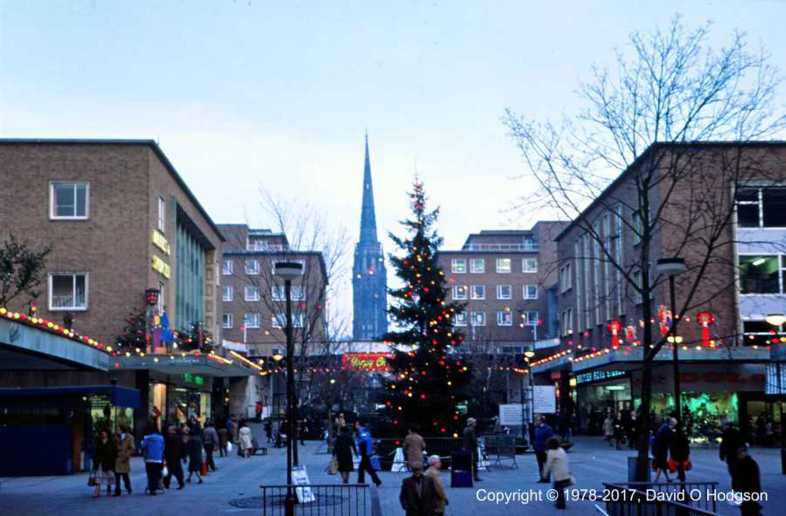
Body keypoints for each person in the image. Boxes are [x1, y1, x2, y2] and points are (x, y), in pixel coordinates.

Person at [730, 446, 761, 516]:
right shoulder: (743, 463)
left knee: (749, 508)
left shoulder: (748, 464)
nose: (739, 455)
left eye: (741, 453)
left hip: (748, 490)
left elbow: (751, 478)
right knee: (748, 508)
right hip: (747, 490)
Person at [542, 437, 571, 510]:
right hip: (565, 472)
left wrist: (545, 474)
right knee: (558, 488)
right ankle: (560, 503)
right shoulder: (561, 450)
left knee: (558, 489)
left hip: (558, 474)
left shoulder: (551, 452)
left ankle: (560, 504)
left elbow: (548, 464)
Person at [355, 420, 381, 486]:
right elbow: (369, 440)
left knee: (368, 468)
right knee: (363, 468)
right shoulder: (367, 431)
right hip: (367, 451)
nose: (355, 425)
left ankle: (376, 481)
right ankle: (362, 481)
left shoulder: (360, 431)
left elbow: (364, 440)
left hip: (365, 451)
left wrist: (361, 449)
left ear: (359, 425)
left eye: (356, 424)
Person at [141, 421, 165, 495]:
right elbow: (163, 447)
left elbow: (143, 446)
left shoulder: (147, 438)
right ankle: (155, 486)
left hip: (149, 459)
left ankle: (152, 488)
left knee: (150, 474)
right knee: (156, 473)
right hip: (158, 458)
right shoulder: (161, 438)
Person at [92, 429, 117, 497]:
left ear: (107, 434)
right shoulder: (99, 442)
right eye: (102, 433)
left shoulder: (111, 442)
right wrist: (95, 460)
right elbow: (96, 451)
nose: (103, 434)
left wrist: (113, 460)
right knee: (98, 476)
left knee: (109, 476)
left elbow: (114, 451)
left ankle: (109, 489)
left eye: (104, 433)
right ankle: (97, 491)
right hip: (100, 461)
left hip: (109, 461)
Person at [653, 417, 675, 482]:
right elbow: (670, 438)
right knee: (661, 464)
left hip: (658, 448)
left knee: (663, 464)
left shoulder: (662, 427)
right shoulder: (666, 429)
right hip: (661, 449)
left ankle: (667, 478)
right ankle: (656, 479)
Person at [113, 424, 134, 496]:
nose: (117, 430)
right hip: (117, 458)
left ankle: (128, 488)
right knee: (117, 475)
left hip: (124, 458)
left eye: (118, 429)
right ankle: (117, 490)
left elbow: (132, 448)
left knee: (125, 475)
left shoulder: (129, 437)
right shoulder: (115, 437)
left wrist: (127, 456)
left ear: (122, 429)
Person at [163, 425, 185, 490]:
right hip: (176, 457)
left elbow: (165, 448)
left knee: (168, 471)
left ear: (173, 431)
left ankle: (166, 484)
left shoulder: (168, 438)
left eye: (169, 429)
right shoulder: (179, 438)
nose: (168, 430)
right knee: (177, 471)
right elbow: (182, 447)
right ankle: (181, 483)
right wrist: (183, 456)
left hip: (170, 457)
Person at [534, 415, 554, 483]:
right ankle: (542, 478)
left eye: (537, 420)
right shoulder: (537, 428)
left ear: (541, 421)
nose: (535, 422)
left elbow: (550, 439)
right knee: (540, 465)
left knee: (546, 464)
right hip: (538, 449)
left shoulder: (548, 429)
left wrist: (548, 449)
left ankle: (547, 478)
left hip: (545, 450)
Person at [462, 417, 481, 482]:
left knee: (467, 463)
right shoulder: (471, 429)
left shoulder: (465, 429)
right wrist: (477, 443)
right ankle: (475, 476)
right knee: (474, 462)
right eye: (474, 422)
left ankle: (467, 476)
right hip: (472, 448)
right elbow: (473, 439)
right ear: (472, 423)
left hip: (466, 447)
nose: (475, 423)